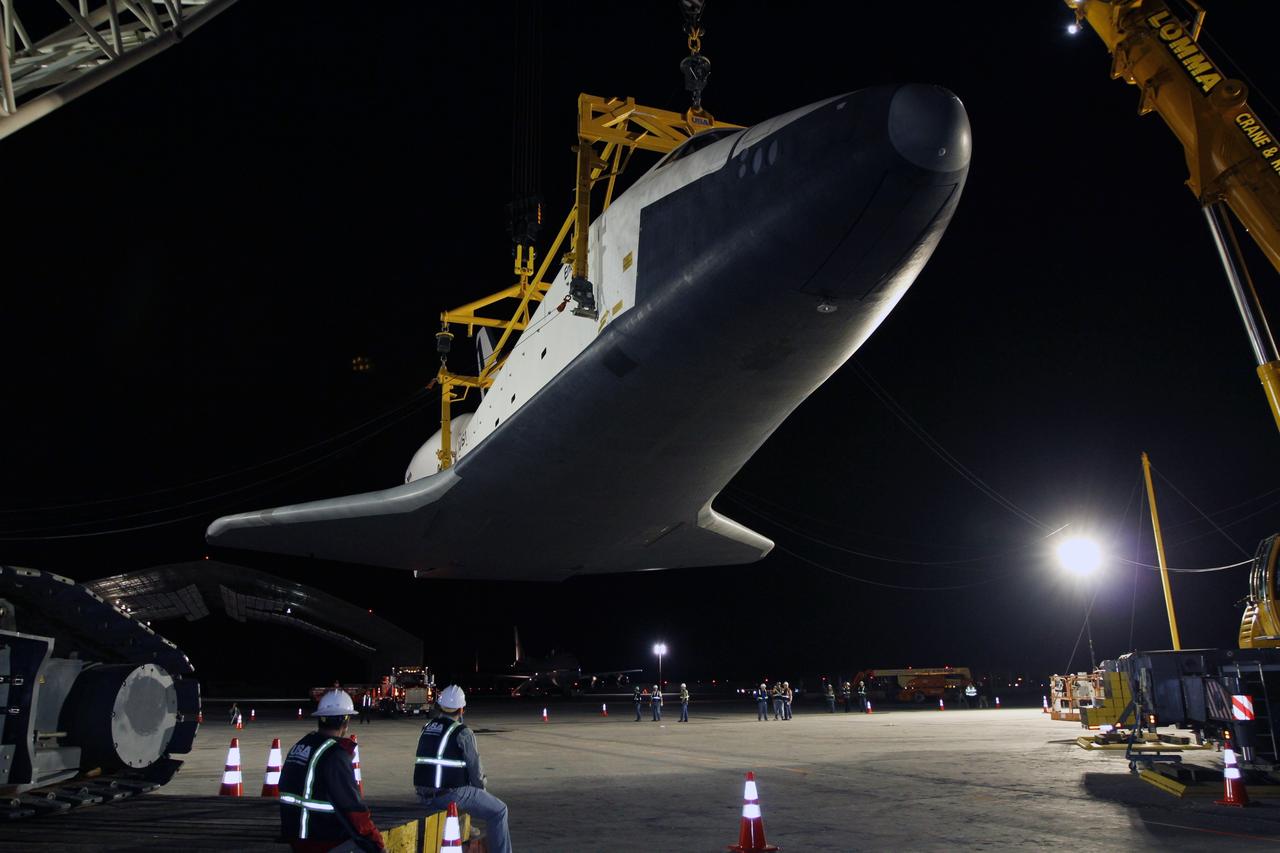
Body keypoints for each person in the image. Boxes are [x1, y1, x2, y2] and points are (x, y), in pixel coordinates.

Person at [279, 688, 385, 853]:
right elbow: (353, 808)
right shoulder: (335, 755)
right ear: (345, 721)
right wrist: (376, 841)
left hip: (295, 835)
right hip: (322, 839)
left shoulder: (301, 745)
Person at [414, 685, 512, 853]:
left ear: (439, 706)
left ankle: (465, 831)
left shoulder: (428, 727)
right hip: (450, 794)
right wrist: (482, 791)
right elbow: (476, 770)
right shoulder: (463, 732)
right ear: (461, 709)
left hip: (424, 793)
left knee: (470, 805)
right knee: (499, 811)